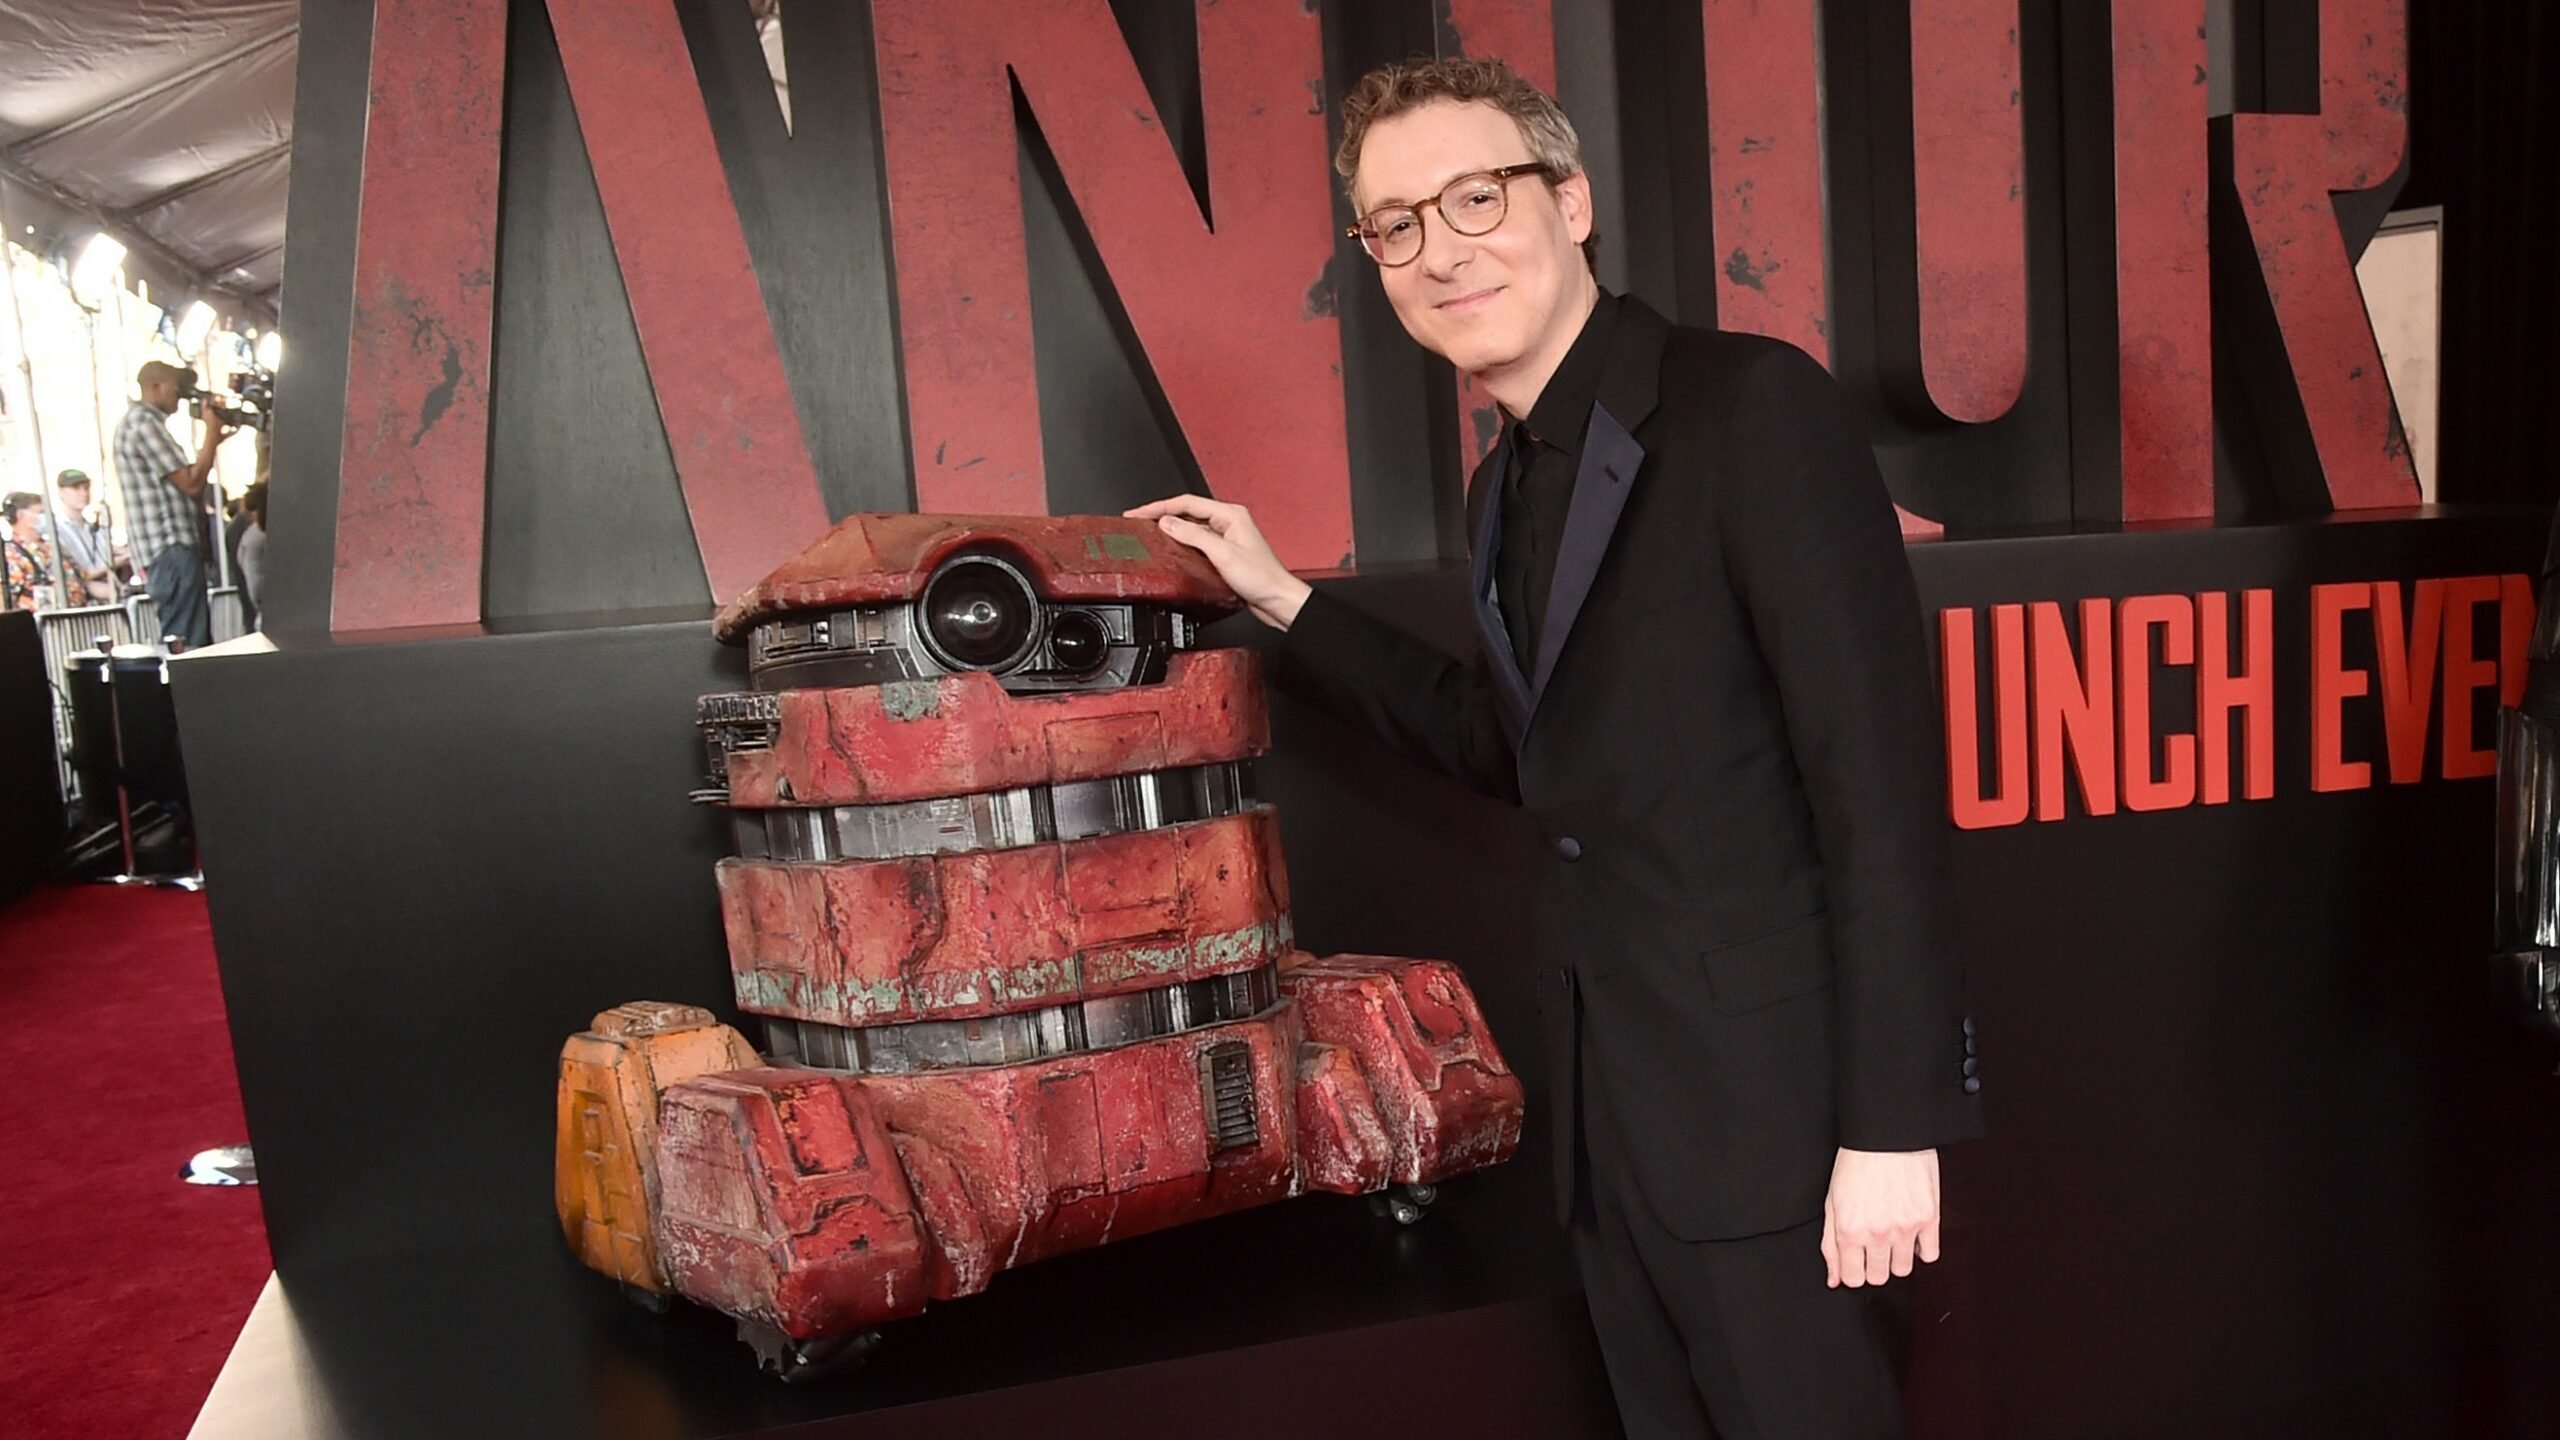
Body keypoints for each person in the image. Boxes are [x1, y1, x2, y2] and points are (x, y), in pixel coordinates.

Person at [1132, 58, 1981, 1440]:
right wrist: (1283, 596)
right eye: (1394, 223)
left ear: (1570, 200)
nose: (1438, 249)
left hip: (1788, 1140)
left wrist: (1894, 1130)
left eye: (1475, 196)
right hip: (1615, 1134)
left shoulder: (1753, 409)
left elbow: (1876, 789)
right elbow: (1517, 748)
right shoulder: (1503, 481)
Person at [114, 360, 231, 649]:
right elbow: (191, 483)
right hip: (171, 548)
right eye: (177, 388)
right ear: (156, 386)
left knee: (189, 639)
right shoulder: (144, 424)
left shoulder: (139, 424)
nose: (181, 396)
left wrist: (214, 440)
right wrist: (211, 436)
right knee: (188, 645)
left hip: (166, 552)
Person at [42, 470, 116, 604]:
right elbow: (77, 573)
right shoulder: (55, 530)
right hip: (82, 600)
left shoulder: (94, 528)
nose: (83, 493)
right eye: (76, 488)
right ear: (61, 492)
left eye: (86, 488)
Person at [3, 491, 57, 612]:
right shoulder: (12, 555)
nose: (47, 517)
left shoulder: (53, 548)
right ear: (20, 515)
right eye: (41, 513)